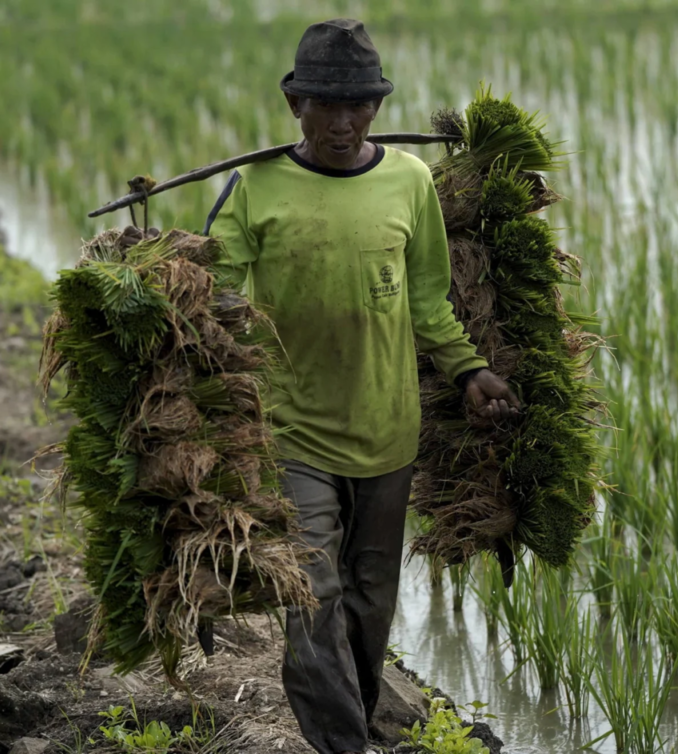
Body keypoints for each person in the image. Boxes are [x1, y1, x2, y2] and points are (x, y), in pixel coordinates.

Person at [204, 18, 521, 754]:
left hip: (387, 431)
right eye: (326, 105)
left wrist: (469, 369)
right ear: (295, 105)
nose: (343, 123)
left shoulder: (409, 182)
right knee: (311, 593)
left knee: (371, 601)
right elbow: (215, 294)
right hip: (294, 432)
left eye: (358, 105)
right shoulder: (254, 187)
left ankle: (358, 717)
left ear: (377, 107)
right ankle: (343, 746)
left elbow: (429, 301)